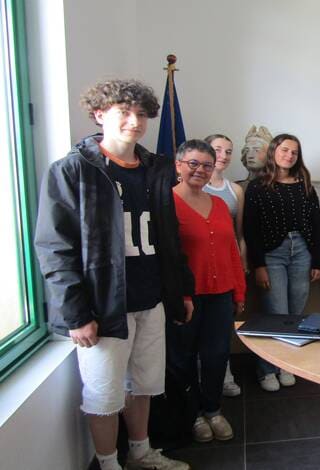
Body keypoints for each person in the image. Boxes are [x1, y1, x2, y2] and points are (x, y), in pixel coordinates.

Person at [34, 79, 193, 470]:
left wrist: (181, 291)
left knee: (145, 385)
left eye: (140, 114)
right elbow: (55, 248)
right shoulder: (73, 170)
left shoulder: (156, 169)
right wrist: (76, 314)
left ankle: (140, 452)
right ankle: (108, 464)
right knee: (104, 395)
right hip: (104, 307)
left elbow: (169, 238)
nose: (134, 122)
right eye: (124, 112)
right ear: (99, 114)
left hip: (151, 299)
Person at [167, 139, 246, 443]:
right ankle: (193, 415)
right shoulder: (166, 204)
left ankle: (213, 409)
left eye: (206, 165)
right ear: (178, 165)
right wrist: (181, 296)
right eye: (193, 163)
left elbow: (231, 252)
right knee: (183, 358)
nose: (200, 170)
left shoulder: (219, 205)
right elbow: (167, 258)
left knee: (216, 355)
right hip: (186, 297)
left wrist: (239, 292)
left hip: (221, 294)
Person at [243, 133, 320, 392]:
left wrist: (319, 260)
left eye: (294, 152)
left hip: (302, 252)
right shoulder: (257, 186)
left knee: (295, 313)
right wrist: (258, 265)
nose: (289, 155)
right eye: (285, 150)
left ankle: (287, 365)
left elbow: (315, 224)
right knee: (276, 312)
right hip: (272, 254)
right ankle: (267, 369)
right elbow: (250, 229)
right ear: (274, 152)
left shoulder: (305, 185)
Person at [203, 133, 245, 398]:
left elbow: (239, 235)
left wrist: (241, 267)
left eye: (228, 151)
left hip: (227, 268)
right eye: (218, 149)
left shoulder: (235, 191)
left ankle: (224, 375)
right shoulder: (190, 185)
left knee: (223, 327)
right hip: (199, 268)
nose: (224, 156)